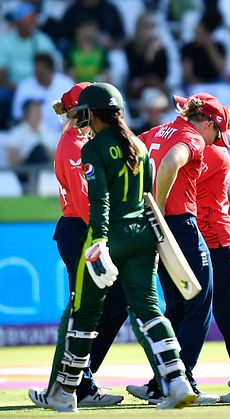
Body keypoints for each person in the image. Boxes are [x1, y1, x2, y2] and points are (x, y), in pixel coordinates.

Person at [28, 82, 196, 412]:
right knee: (148, 310)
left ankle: (64, 391)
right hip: (142, 236)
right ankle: (177, 382)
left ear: (90, 113)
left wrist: (99, 242)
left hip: (109, 236)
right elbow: (148, 196)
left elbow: (100, 200)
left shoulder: (92, 147)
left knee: (83, 315)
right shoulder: (139, 144)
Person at [126, 93, 230, 405]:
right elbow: (173, 161)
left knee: (175, 307)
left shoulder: (157, 131)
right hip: (179, 226)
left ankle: (161, 380)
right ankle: (179, 379)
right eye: (218, 133)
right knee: (200, 300)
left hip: (156, 226)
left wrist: (140, 203)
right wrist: (155, 211)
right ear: (210, 123)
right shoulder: (193, 137)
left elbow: (128, 152)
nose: (216, 141)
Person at [168, 95, 230, 404]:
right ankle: (171, 379)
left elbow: (175, 175)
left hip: (218, 241)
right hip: (203, 240)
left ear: (207, 122)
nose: (183, 116)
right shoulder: (203, 144)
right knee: (186, 311)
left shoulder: (211, 151)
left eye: (191, 112)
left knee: (228, 315)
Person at [49, 81, 128, 408]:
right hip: (81, 231)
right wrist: (105, 236)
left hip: (86, 230)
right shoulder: (73, 144)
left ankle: (79, 379)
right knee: (91, 309)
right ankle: (80, 384)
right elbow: (84, 201)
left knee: (114, 306)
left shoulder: (85, 141)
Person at [0, 2, 58, 128]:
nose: (31, 23)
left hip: (38, 85)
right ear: (17, 22)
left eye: (32, 20)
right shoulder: (6, 42)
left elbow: (52, 68)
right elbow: (2, 75)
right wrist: (18, 88)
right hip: (12, 87)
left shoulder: (43, 41)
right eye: (27, 20)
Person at [12, 53, 74, 135]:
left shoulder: (66, 84)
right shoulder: (24, 86)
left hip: (61, 134)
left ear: (51, 70)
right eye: (36, 72)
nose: (38, 75)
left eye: (41, 72)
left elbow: (74, 113)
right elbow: (17, 115)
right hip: (31, 134)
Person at [6, 99, 57, 189]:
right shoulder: (17, 132)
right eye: (35, 110)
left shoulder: (47, 132)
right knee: (39, 149)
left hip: (45, 169)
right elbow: (12, 158)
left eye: (39, 110)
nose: (38, 113)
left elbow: (54, 157)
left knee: (41, 150)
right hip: (25, 171)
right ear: (27, 113)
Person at [125, 11, 169, 101]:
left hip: (155, 86)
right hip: (136, 88)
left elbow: (163, 75)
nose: (150, 31)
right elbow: (134, 73)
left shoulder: (160, 49)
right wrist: (148, 56)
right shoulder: (130, 47)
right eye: (147, 27)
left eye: (153, 26)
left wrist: (152, 53)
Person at [180, 9, 226, 91]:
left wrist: (208, 45)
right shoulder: (188, 48)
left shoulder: (219, 46)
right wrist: (202, 84)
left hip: (215, 85)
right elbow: (187, 75)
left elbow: (221, 69)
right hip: (196, 86)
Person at [63, 17, 111, 83]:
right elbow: (69, 78)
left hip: (96, 88)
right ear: (79, 30)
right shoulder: (69, 52)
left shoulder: (101, 51)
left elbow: (107, 77)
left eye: (95, 28)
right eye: (91, 27)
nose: (94, 31)